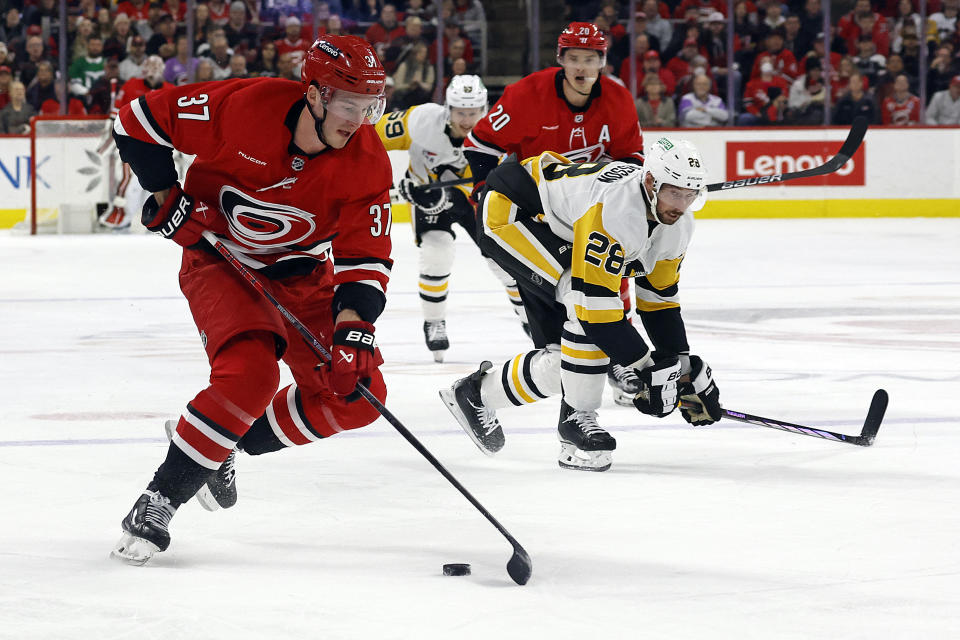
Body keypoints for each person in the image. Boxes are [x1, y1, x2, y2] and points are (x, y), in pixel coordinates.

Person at [109, 36, 394, 565]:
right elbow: (137, 119)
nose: (359, 118)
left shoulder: (368, 161)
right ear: (314, 93)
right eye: (349, 102)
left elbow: (366, 256)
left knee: (358, 394)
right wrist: (165, 195)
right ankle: (157, 502)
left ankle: (223, 447)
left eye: (370, 105)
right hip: (219, 260)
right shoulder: (244, 105)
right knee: (250, 375)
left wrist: (355, 331)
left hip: (304, 275)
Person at [440, 139, 722, 472]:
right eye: (675, 193)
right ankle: (575, 420)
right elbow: (596, 312)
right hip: (514, 213)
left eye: (690, 195)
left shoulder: (678, 227)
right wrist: (648, 369)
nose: (682, 204)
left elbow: (659, 301)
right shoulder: (617, 210)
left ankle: (477, 394)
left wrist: (682, 367)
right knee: (582, 303)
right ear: (650, 182)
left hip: (560, 226)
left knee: (567, 359)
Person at [376, 76, 517, 361]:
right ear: (447, 107)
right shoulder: (421, 120)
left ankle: (528, 313)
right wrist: (383, 178)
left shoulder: (498, 131)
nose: (466, 120)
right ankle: (434, 320)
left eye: (473, 112)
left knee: (505, 260)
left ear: (484, 109)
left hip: (475, 200)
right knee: (437, 251)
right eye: (460, 112)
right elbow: (370, 136)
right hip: (429, 198)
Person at [98, 55, 172, 230]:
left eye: (156, 67)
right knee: (130, 182)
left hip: (163, 146)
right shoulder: (131, 85)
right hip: (135, 144)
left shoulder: (171, 90)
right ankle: (122, 217)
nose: (153, 71)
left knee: (158, 184)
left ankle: (156, 219)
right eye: (150, 67)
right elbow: (116, 116)